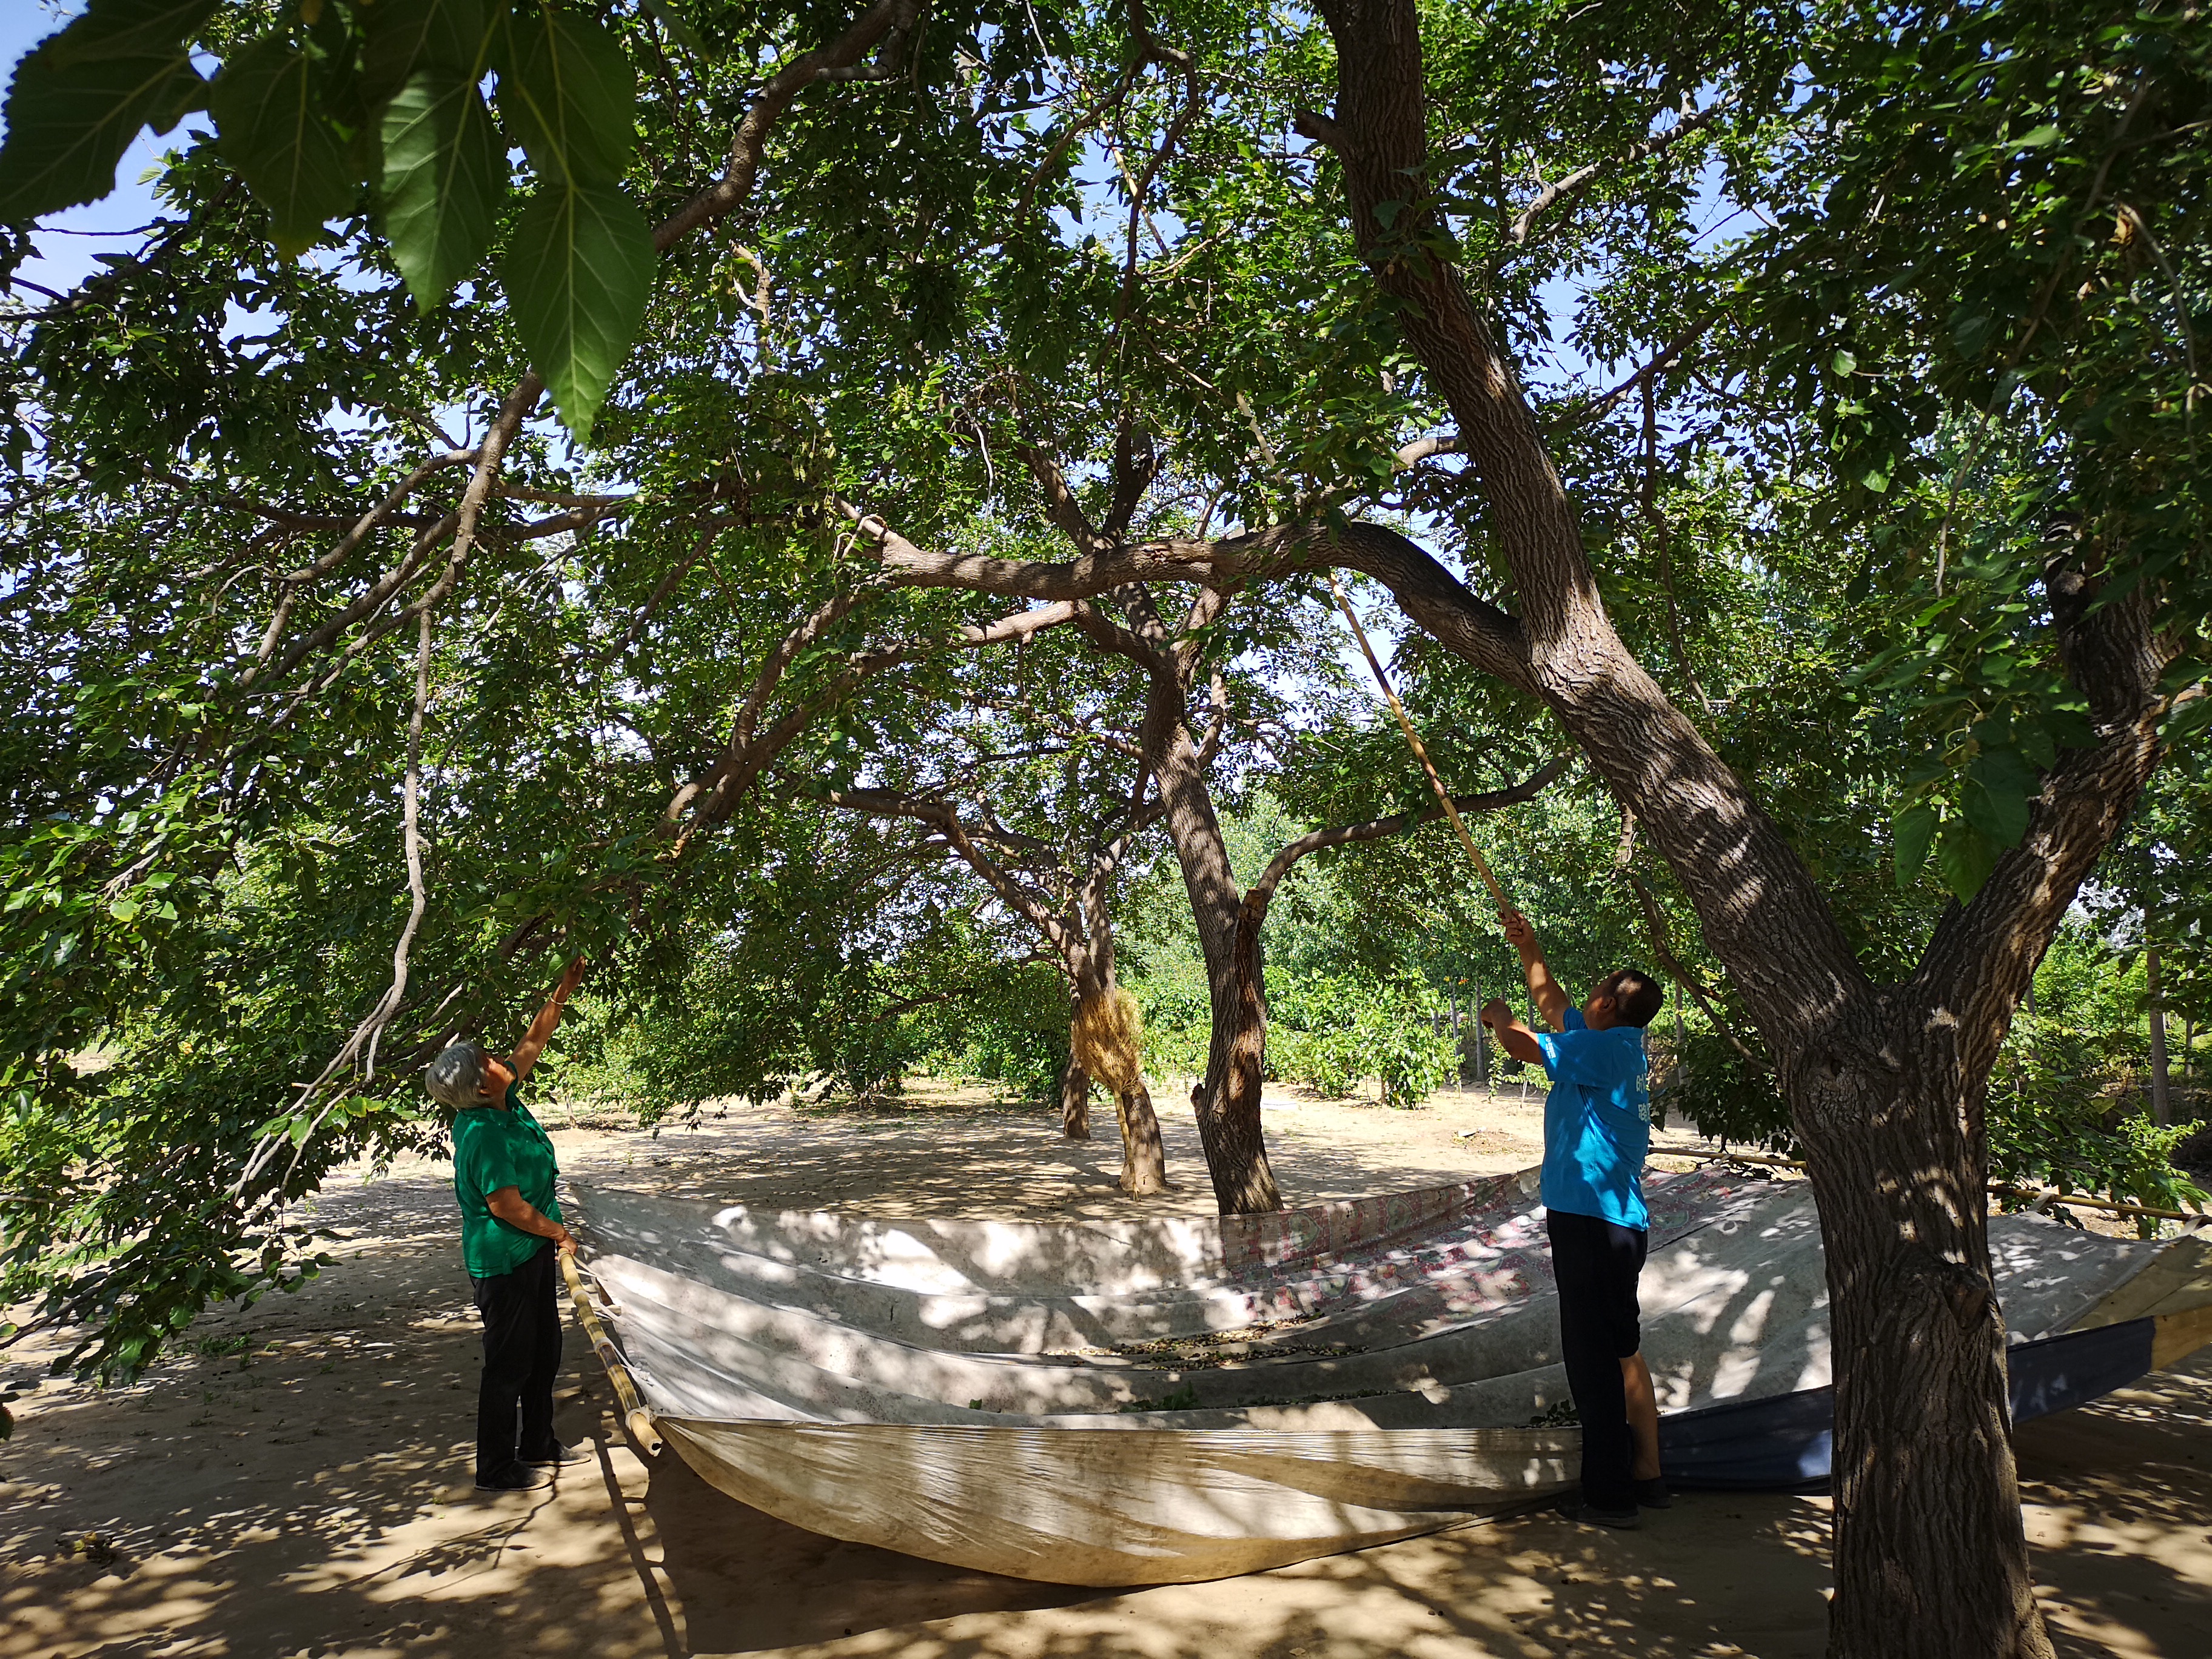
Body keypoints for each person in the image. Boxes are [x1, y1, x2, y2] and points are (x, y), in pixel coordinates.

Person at [1480, 910, 1667, 1529]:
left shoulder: (1601, 1050)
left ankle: (1610, 1496)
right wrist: (1529, 945)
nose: (1584, 995)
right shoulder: (1617, 1043)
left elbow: (1528, 1043)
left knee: (1590, 1357)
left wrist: (1500, 1021)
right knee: (1622, 1350)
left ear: (1609, 1005)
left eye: (1598, 989)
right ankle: (1648, 1472)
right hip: (1619, 1223)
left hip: (1588, 1222)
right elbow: (1554, 1000)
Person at [423, 955, 588, 1492]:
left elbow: (532, 1043)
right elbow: (508, 1209)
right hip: (504, 1258)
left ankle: (537, 1443)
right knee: (509, 1365)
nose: (501, 1060)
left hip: (531, 1249)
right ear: (481, 1087)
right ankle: (495, 1468)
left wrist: (564, 988)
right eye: (490, 1061)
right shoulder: (485, 1133)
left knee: (545, 1352)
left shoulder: (501, 1101)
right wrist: (559, 1233)